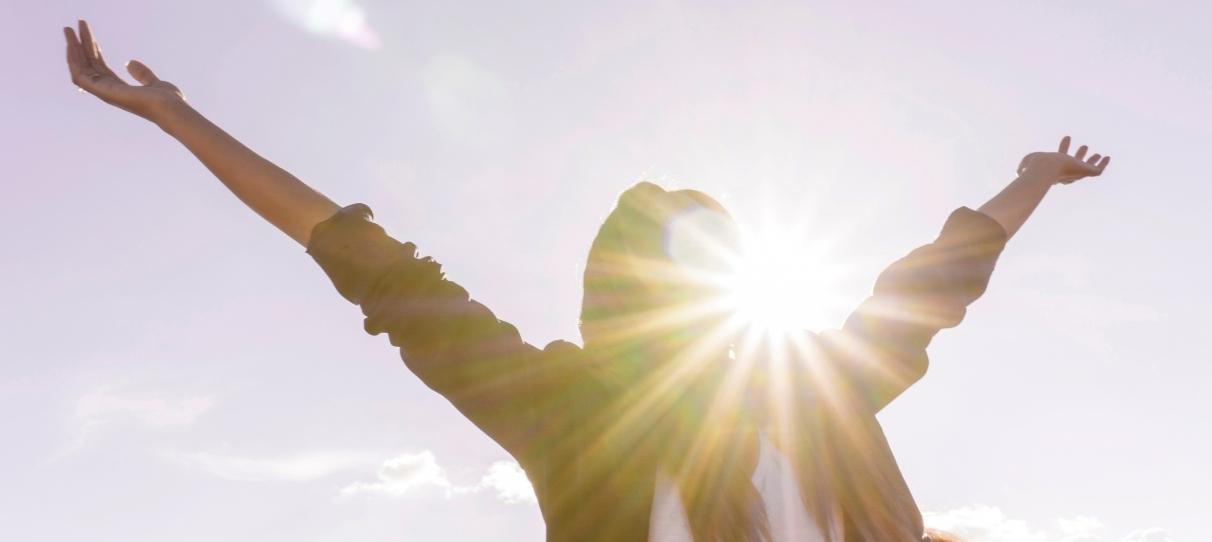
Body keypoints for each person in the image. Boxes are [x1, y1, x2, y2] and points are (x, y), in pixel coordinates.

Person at [62, 20, 1111, 542]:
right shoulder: (566, 411)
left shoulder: (821, 386)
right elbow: (363, 258)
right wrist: (178, 116)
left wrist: (1031, 177)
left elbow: (943, 274)